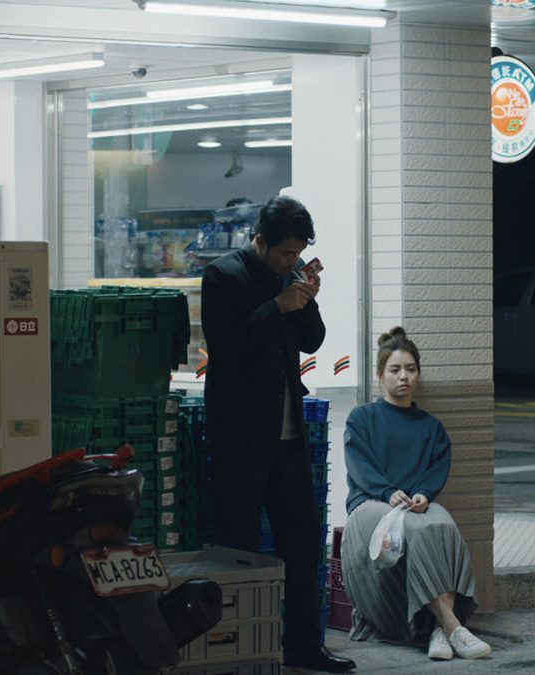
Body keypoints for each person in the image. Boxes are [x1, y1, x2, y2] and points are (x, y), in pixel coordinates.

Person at [200, 195, 355, 673]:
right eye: (287, 253)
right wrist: (276, 305)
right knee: (239, 548)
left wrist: (305, 296)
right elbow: (227, 351)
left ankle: (305, 646)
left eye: (299, 253)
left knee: (303, 542)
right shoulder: (223, 276)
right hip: (241, 438)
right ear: (261, 241)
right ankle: (241, 649)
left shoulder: (290, 277)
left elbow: (312, 340)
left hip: (288, 439)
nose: (294, 260)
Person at [340, 327, 492, 661]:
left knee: (443, 525)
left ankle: (438, 629)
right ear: (380, 376)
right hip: (371, 506)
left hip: (415, 505)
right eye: (394, 370)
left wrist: (423, 493)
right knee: (419, 529)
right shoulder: (362, 418)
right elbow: (360, 468)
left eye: (410, 369)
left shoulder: (431, 426)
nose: (403, 377)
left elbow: (436, 470)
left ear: (419, 375)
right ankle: (454, 627)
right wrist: (388, 492)